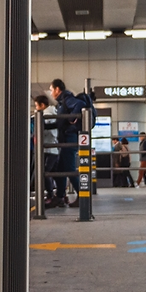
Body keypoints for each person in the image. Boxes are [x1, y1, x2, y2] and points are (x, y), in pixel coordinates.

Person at [48, 79, 84, 207]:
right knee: (60, 169)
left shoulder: (67, 99)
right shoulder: (62, 102)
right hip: (65, 138)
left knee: (69, 169)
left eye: (52, 90)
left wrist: (71, 118)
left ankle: (83, 196)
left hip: (70, 138)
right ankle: (60, 197)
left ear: (57, 89)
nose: (51, 93)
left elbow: (79, 104)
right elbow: (60, 123)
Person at [34, 95, 59, 207]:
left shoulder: (46, 115)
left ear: (42, 105)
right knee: (53, 173)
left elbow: (46, 131)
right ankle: (58, 195)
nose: (36, 108)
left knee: (45, 172)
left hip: (49, 148)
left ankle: (50, 196)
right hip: (53, 149)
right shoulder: (54, 112)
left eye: (36, 106)